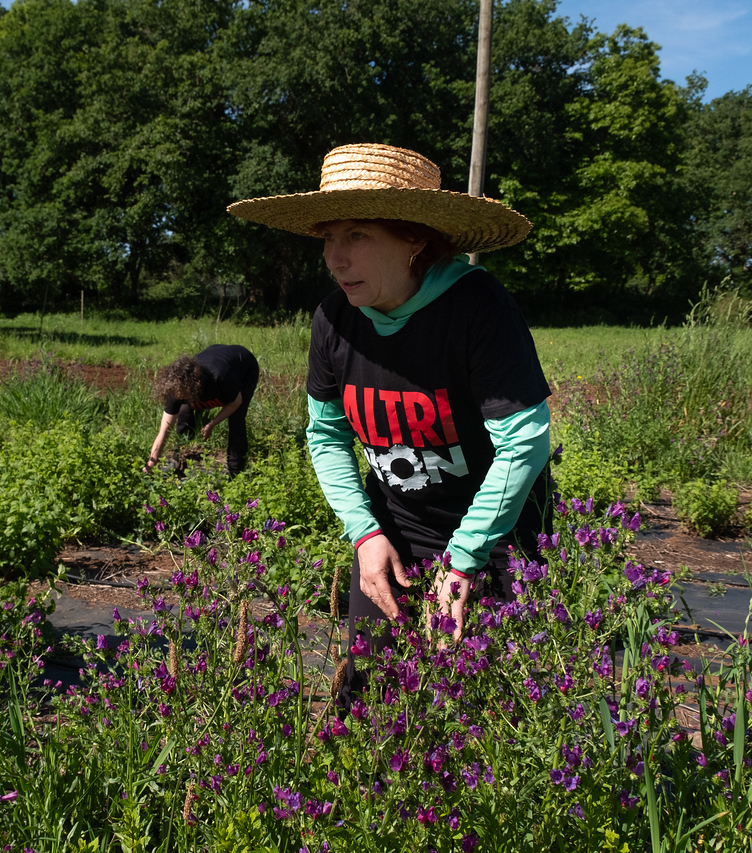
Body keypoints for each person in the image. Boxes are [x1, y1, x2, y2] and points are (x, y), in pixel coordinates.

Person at [227, 143, 552, 657]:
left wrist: (465, 557)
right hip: (395, 527)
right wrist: (364, 534)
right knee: (369, 694)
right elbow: (326, 434)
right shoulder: (334, 319)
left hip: (495, 533)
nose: (335, 258)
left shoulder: (476, 308)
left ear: (414, 240)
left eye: (357, 235)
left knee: (485, 706)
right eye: (329, 237)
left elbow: (524, 443)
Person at [143, 345, 260, 477]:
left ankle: (236, 471)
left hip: (243, 367)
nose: (178, 398)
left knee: (236, 418)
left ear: (193, 387)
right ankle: (178, 462)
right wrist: (150, 464)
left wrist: (212, 424)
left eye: (183, 395)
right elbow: (163, 433)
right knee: (184, 412)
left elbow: (235, 403)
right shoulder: (175, 390)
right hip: (212, 360)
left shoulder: (219, 378)